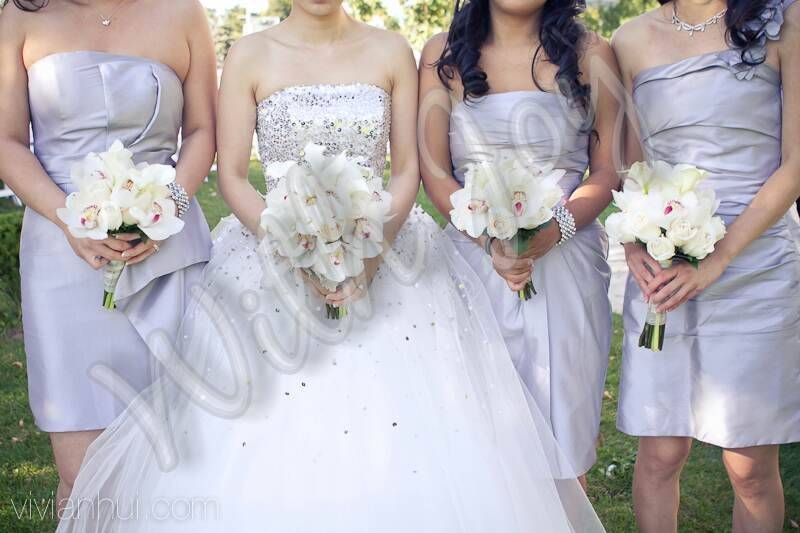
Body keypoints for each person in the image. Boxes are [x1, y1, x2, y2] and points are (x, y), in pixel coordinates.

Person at [55, 1, 604, 531]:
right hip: (270, 255)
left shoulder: (391, 50)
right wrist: (293, 248)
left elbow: (408, 169)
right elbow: (235, 177)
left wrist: (369, 254)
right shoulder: (248, 53)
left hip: (384, 252)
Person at [0, 0, 216, 513]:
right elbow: (7, 141)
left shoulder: (183, 12)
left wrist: (171, 208)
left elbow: (203, 130)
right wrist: (67, 216)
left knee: (181, 457)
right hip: (62, 251)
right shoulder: (20, 14)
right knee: (84, 472)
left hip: (169, 249)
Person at [612, 0, 800, 531]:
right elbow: (628, 166)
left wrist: (719, 259)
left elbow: (796, 161)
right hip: (663, 268)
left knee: (751, 469)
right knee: (660, 455)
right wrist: (635, 244)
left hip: (755, 263)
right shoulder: (628, 40)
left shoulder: (787, 19)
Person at [418, 0, 621, 483]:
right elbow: (434, 170)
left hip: (568, 264)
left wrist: (556, 230)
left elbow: (609, 168)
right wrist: (490, 243)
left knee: (563, 436)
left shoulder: (591, 53)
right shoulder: (441, 55)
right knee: (479, 437)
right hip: (472, 264)